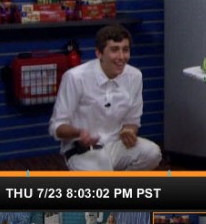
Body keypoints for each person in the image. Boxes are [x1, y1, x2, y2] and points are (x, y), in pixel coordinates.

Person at [49, 24, 162, 171]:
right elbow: (57, 127)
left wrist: (129, 130)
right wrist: (79, 133)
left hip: (116, 145)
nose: (121, 57)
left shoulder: (135, 76)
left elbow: (132, 120)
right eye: (114, 50)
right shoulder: (74, 77)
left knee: (152, 153)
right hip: (83, 151)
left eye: (125, 50)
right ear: (99, 53)